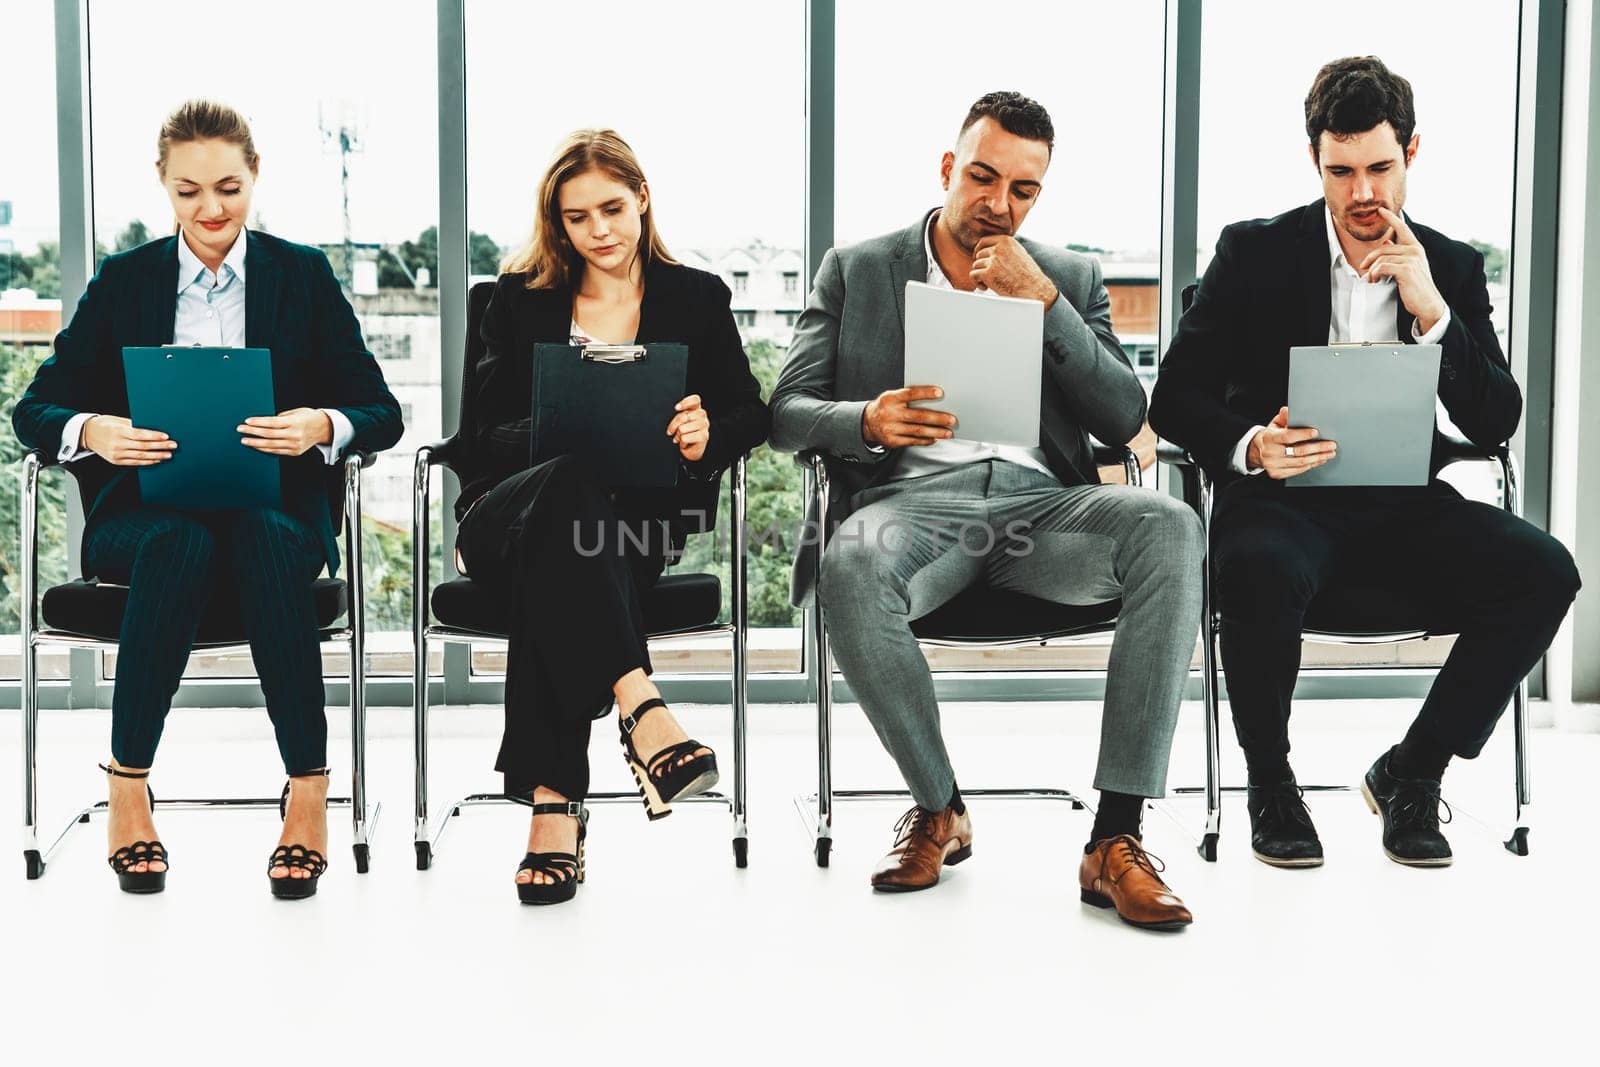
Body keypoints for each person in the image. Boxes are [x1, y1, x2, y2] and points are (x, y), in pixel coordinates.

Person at [770, 92, 1202, 930]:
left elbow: (1124, 420)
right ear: (947, 168)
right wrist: (865, 419)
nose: (999, 204)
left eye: (1024, 190)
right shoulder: (857, 270)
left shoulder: (1068, 278)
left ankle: (1114, 838)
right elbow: (786, 409)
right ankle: (940, 807)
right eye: (982, 177)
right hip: (912, 507)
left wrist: (1045, 303)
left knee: (1173, 525)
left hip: (1045, 509)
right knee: (850, 559)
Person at [1149, 57, 1581, 869]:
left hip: (1405, 510)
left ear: (1412, 152)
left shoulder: (1448, 266)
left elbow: (1496, 420)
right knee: (1258, 564)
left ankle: (1413, 770)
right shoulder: (1254, 253)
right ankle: (1271, 784)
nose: (1361, 194)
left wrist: (1434, 316)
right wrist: (1250, 443)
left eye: (1379, 168)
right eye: (1340, 171)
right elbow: (1172, 397)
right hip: (1281, 504)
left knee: (1546, 570)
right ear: (1314, 161)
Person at [11, 99, 404, 898]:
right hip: (146, 521)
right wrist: (97, 430)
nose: (212, 208)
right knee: (180, 541)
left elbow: (380, 412)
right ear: (163, 186)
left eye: (228, 185)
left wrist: (318, 424)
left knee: (257, 535)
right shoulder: (125, 283)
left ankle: (307, 793)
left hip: (278, 517)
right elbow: (35, 410)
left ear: (254, 175)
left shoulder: (303, 276)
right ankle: (128, 785)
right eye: (189, 191)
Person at [463, 129, 769, 905]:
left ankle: (554, 808)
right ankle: (643, 707)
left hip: (624, 530)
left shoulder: (696, 298)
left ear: (642, 198)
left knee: (560, 569)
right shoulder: (517, 298)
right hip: (509, 514)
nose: (598, 229)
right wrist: (566, 420)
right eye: (576, 217)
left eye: (610, 207)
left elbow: (748, 413)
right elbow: (477, 437)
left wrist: (708, 435)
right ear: (556, 224)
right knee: (564, 484)